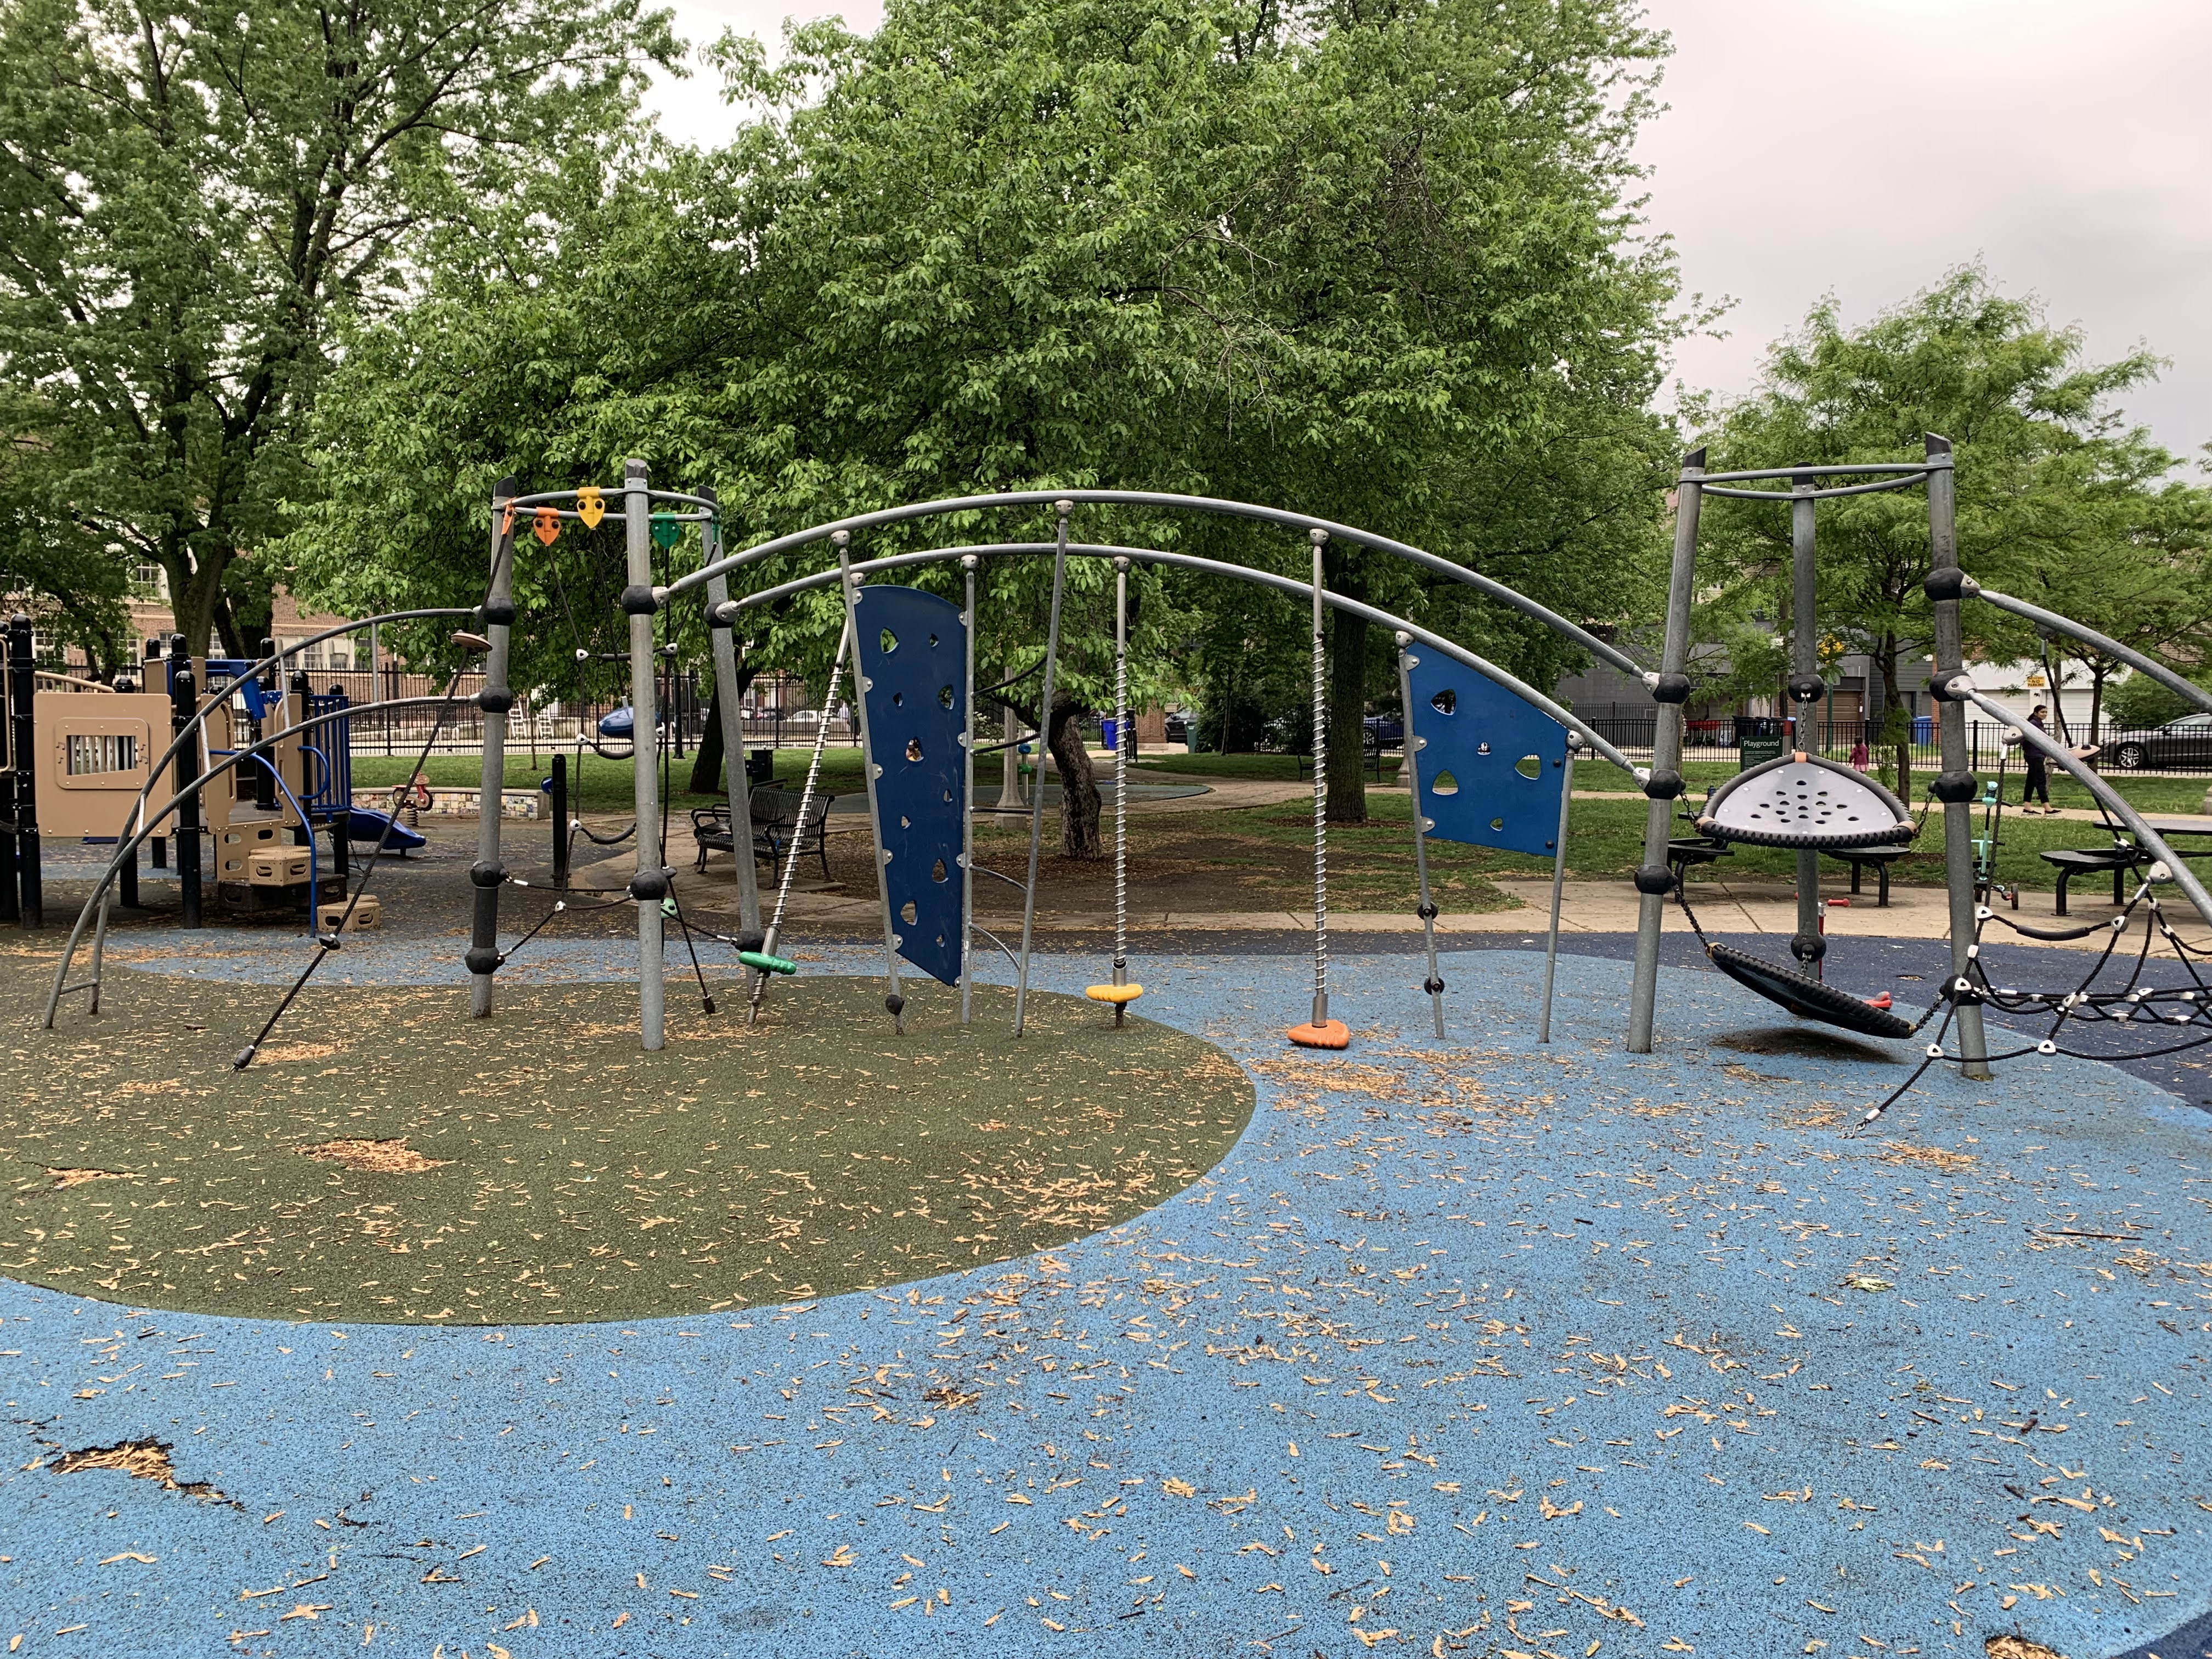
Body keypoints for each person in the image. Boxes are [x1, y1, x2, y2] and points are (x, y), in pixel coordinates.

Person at [2021, 704, 2053, 812]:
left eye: (2046, 712)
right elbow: (2027, 739)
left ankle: (2027, 807)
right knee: (2041, 780)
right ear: (2036, 713)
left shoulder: (2038, 723)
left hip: (2036, 755)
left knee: (2031, 782)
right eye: (2042, 712)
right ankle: (2047, 808)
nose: (2045, 714)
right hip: (2035, 756)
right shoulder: (2034, 724)